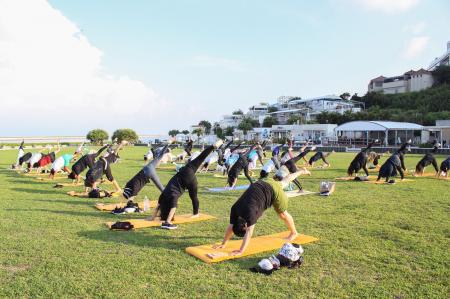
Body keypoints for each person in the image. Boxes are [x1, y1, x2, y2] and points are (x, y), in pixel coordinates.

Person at [213, 166, 304, 256]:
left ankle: (294, 233)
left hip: (273, 192)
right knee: (284, 182)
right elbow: (231, 227)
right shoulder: (235, 209)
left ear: (245, 225)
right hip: (262, 182)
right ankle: (302, 171)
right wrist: (223, 244)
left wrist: (241, 251)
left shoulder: (250, 214)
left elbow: (249, 232)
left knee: (283, 214)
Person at [150, 139, 224, 229]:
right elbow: (158, 207)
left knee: (193, 196)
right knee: (200, 158)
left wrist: (167, 221)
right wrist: (152, 217)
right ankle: (213, 146)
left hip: (188, 178)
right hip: (184, 171)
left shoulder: (173, 197)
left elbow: (173, 207)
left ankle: (195, 214)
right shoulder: (163, 196)